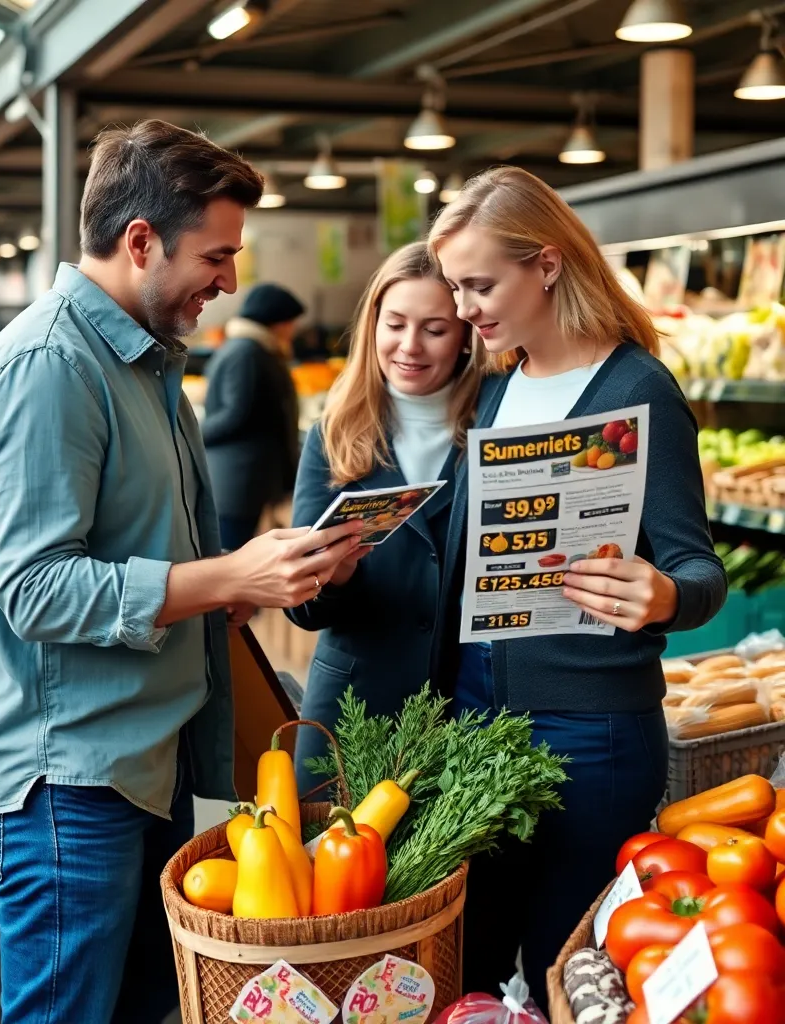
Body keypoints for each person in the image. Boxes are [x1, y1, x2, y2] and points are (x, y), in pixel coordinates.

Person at [0, 119, 363, 1024]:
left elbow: (135, 549)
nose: (230, 281)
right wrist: (227, 578)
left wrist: (247, 585)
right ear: (140, 241)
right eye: (216, 255)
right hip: (62, 779)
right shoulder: (52, 367)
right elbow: (36, 590)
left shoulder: (137, 360)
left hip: (133, 761)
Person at [430, 166, 727, 1012]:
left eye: (481, 284)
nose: (465, 308)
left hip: (591, 736)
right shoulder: (494, 390)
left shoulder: (638, 392)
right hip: (479, 720)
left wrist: (663, 597)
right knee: (473, 967)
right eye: (456, 286)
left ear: (547, 266)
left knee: (572, 973)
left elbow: (700, 570)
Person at [286, 242, 483, 795]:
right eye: (394, 324)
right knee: (331, 871)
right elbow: (303, 607)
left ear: (467, 333)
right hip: (353, 708)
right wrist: (334, 573)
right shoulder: (334, 433)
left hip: (464, 705)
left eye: (435, 329)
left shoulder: (497, 425)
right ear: (373, 325)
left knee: (447, 878)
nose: (409, 346)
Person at [203, 282, 305, 550]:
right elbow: (235, 415)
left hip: (248, 481)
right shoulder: (246, 353)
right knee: (231, 556)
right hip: (238, 482)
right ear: (276, 321)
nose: (293, 330)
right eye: (290, 322)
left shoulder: (256, 349)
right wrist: (189, 434)